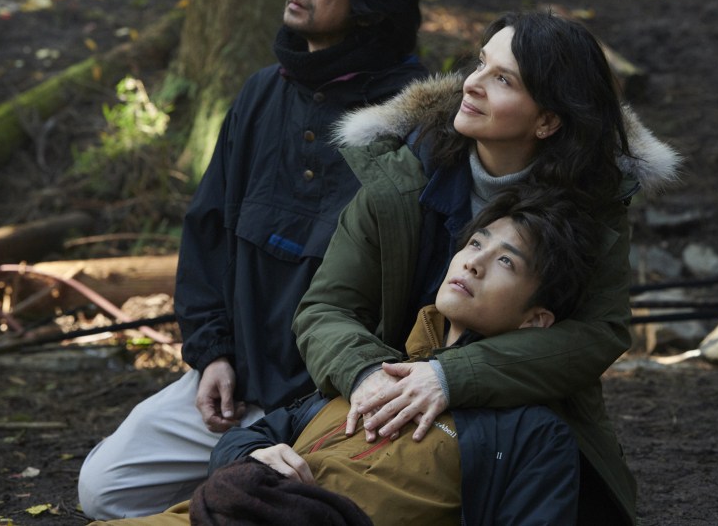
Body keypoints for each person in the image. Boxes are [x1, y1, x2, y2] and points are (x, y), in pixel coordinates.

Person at [78, 0, 429, 520]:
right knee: (103, 488)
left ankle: (237, 488)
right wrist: (212, 354)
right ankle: (233, 479)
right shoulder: (262, 92)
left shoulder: (413, 119)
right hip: (236, 384)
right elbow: (207, 233)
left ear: (371, 2)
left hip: (337, 394)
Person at [293, 10, 681, 524]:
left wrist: (449, 375)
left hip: (525, 426)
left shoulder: (595, 202)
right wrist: (367, 375)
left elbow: (598, 333)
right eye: (480, 64)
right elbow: (326, 307)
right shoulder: (401, 176)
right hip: (380, 406)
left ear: (548, 119)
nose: (471, 85)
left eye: (502, 79)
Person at [89, 185, 604, 526]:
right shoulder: (373, 368)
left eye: (505, 262)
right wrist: (250, 456)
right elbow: (252, 438)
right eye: (474, 244)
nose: (473, 264)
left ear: (536, 320)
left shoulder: (532, 432)